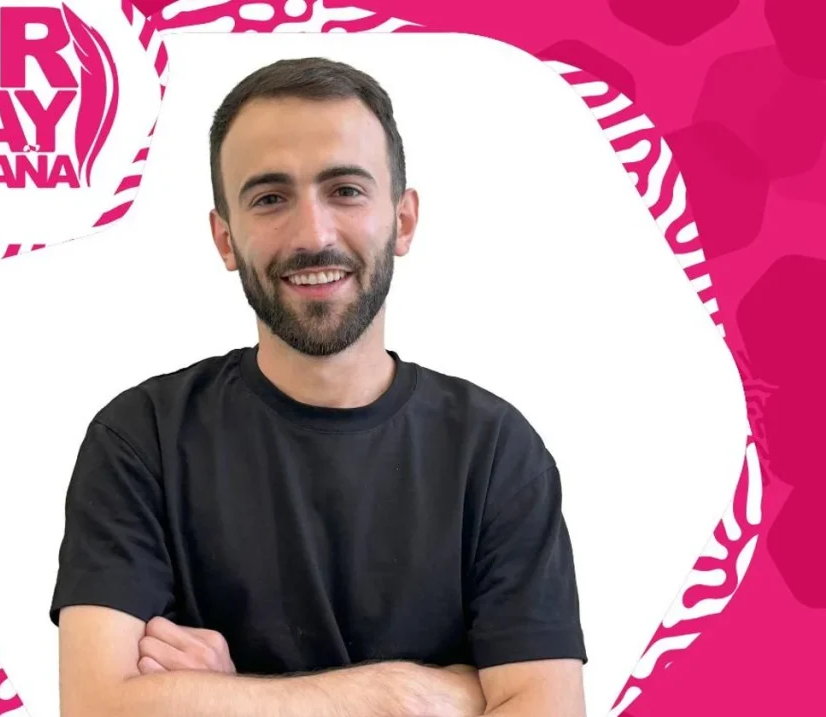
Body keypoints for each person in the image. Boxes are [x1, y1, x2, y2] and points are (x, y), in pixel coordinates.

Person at [50, 56, 587, 717]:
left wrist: (223, 697)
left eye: (346, 190)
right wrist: (399, 696)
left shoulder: (495, 450)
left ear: (403, 221)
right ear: (225, 238)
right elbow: (97, 706)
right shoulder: (142, 440)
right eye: (270, 198)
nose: (313, 234)